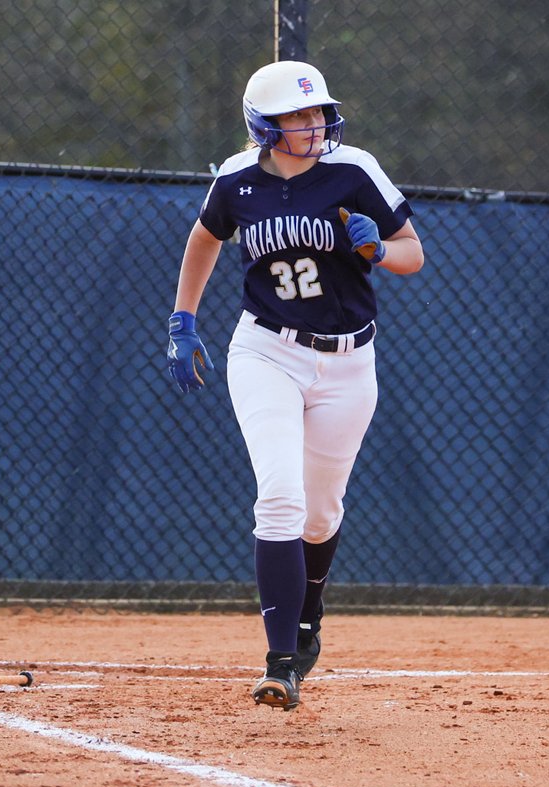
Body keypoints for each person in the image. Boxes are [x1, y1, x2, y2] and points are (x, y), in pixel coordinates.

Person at [165, 61, 424, 710]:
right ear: (263, 125)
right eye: (298, 116)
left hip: (347, 362)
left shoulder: (353, 170)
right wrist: (184, 319)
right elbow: (205, 238)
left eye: (318, 113)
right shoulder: (236, 180)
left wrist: (377, 252)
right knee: (280, 496)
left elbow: (411, 254)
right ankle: (281, 661)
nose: (315, 125)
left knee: (321, 512)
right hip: (265, 351)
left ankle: (309, 619)